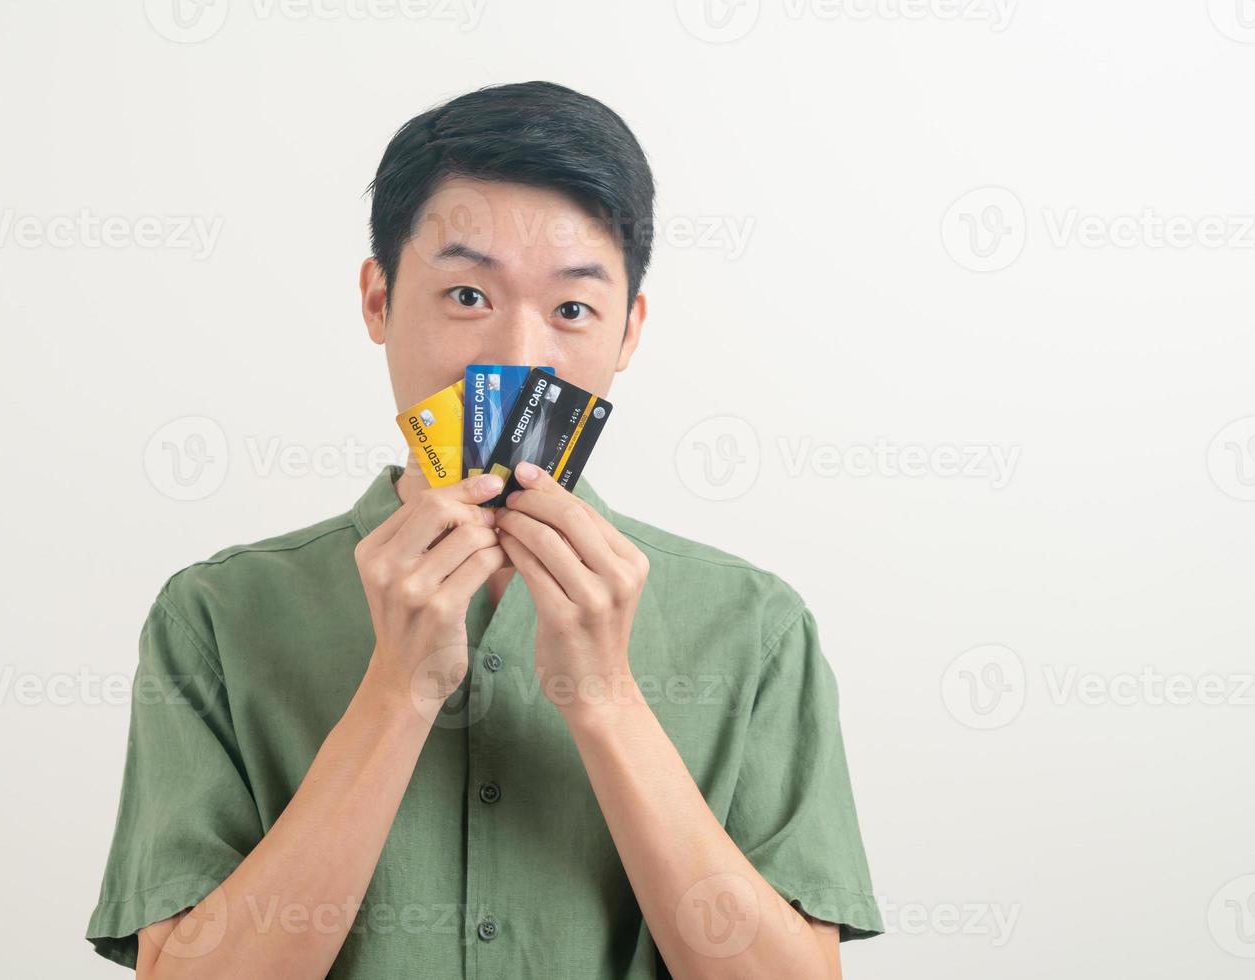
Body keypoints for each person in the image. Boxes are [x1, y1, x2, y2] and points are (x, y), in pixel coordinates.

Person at [85, 79, 884, 979]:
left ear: (629, 333)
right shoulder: (217, 615)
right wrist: (396, 691)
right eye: (467, 296)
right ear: (377, 301)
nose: (517, 358)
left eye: (572, 309)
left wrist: (606, 698)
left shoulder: (753, 625)